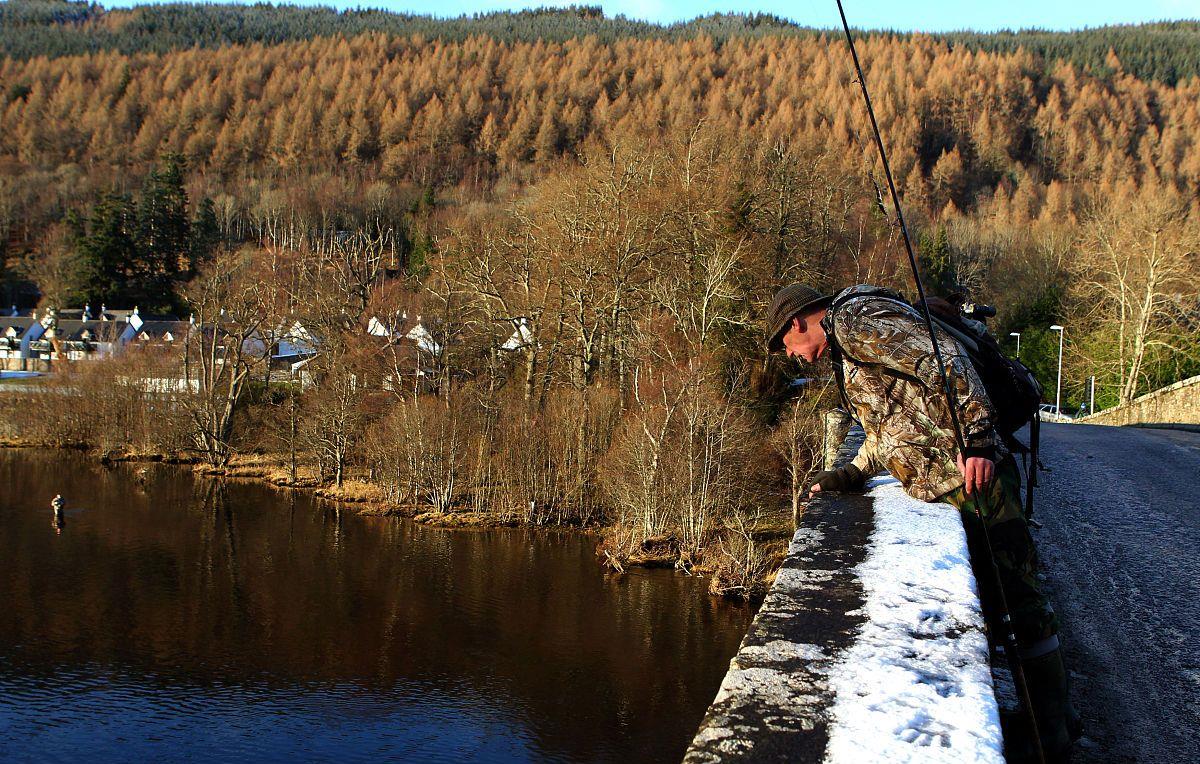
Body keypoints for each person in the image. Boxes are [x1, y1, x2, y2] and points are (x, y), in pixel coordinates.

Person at [765, 283, 1079, 761]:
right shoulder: (849, 343)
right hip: (957, 487)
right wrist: (853, 471)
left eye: (788, 348)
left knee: (1021, 600)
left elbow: (943, 359)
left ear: (797, 323)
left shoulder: (852, 322)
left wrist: (975, 441)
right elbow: (895, 424)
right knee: (998, 603)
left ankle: (1053, 733)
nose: (795, 359)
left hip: (976, 483)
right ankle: (1040, 717)